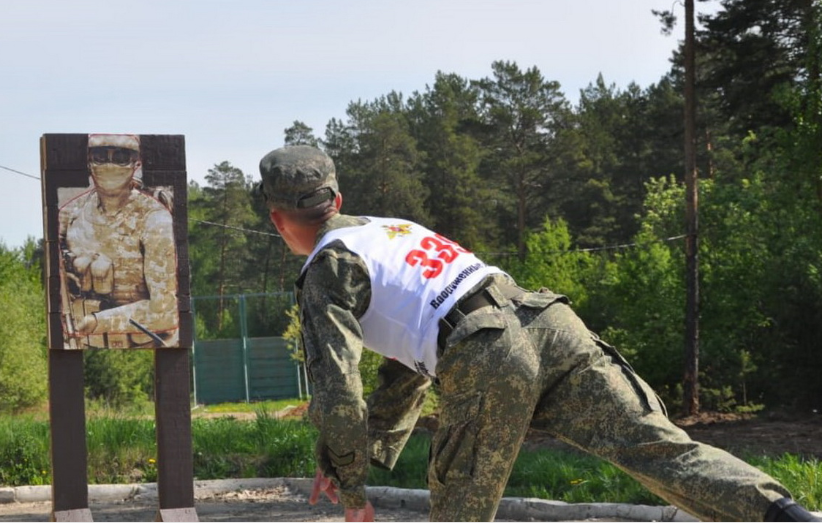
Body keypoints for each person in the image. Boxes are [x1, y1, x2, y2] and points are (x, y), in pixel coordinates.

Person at [256, 144, 820, 522]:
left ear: (278, 220)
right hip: (548, 323)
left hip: (487, 353)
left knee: (458, 513)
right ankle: (787, 516)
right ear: (339, 198)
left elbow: (337, 387)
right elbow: (409, 359)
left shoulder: (327, 268)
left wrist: (350, 488)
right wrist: (368, 451)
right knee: (659, 450)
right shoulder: (392, 229)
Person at [58, 133, 179, 349]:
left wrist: (97, 321)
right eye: (100, 156)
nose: (110, 164)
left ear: (136, 164)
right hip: (79, 343)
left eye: (121, 156)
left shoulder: (154, 219)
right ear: (90, 162)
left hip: (145, 344)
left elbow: (165, 312)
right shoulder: (71, 214)